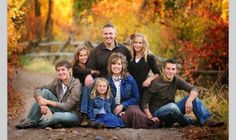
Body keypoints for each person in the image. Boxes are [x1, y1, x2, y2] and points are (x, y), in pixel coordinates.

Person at [141, 59, 224, 127]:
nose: (170, 71)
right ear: (163, 69)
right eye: (168, 69)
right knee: (172, 107)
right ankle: (189, 122)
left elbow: (193, 88)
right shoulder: (155, 83)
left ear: (176, 70)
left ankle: (207, 120)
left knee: (192, 98)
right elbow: (144, 102)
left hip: (174, 110)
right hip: (158, 113)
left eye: (173, 69)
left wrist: (189, 100)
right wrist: (151, 117)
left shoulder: (176, 80)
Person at [16, 60, 82, 129]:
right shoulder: (57, 81)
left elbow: (67, 106)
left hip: (73, 115)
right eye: (58, 70)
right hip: (61, 110)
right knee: (45, 92)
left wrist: (46, 102)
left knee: (56, 116)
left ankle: (36, 123)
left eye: (63, 69)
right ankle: (30, 120)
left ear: (69, 70)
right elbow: (38, 89)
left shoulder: (76, 84)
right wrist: (41, 101)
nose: (60, 72)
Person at [107, 53, 152, 128]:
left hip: (128, 107)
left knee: (134, 112)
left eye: (119, 64)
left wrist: (122, 105)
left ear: (123, 66)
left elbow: (136, 98)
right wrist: (116, 110)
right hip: (113, 109)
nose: (116, 66)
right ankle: (119, 120)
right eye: (113, 64)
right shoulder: (107, 81)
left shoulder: (129, 79)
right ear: (110, 65)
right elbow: (104, 100)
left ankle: (121, 120)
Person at [85, 23, 131, 88]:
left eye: (110, 33)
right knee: (87, 83)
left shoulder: (124, 49)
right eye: (105, 34)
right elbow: (89, 67)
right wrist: (88, 75)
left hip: (120, 81)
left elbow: (130, 66)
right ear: (102, 35)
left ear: (115, 34)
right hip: (102, 83)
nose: (108, 36)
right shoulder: (95, 51)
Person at [128, 33, 161, 99]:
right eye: (135, 42)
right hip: (130, 89)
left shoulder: (149, 57)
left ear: (144, 44)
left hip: (143, 89)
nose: (137, 45)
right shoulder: (130, 56)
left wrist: (149, 79)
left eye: (140, 43)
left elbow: (158, 74)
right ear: (132, 43)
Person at [72, 46, 100, 122]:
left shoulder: (90, 64)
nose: (83, 57)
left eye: (85, 55)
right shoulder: (75, 67)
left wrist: (91, 72)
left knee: (91, 84)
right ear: (77, 57)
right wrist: (91, 72)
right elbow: (81, 72)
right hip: (79, 89)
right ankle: (84, 114)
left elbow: (98, 73)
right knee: (86, 85)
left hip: (89, 89)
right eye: (81, 55)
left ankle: (89, 114)